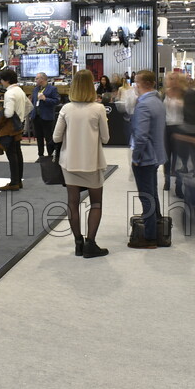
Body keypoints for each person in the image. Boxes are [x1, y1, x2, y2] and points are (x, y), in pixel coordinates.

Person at [52, 69, 110, 259]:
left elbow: (56, 136)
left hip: (69, 162)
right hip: (92, 162)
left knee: (72, 203)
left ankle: (78, 242)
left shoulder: (66, 108)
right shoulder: (99, 108)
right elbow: (106, 138)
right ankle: (90, 243)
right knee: (96, 203)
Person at [128, 70, 166, 250]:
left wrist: (136, 157)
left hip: (145, 157)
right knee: (152, 193)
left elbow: (141, 136)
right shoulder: (157, 101)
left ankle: (150, 237)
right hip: (155, 155)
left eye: (136, 82)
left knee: (146, 196)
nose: (134, 85)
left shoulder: (144, 105)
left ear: (144, 83)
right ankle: (157, 227)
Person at [0, 68, 29, 191]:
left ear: (7, 80)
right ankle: (18, 180)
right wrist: (20, 118)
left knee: (12, 154)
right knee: (17, 153)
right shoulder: (20, 90)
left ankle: (14, 182)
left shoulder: (9, 93)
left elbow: (8, 113)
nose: (1, 82)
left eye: (2, 80)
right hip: (18, 125)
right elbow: (29, 106)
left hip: (10, 128)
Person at [29, 72, 60, 162]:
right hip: (36, 117)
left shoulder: (52, 89)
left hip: (47, 116)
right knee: (39, 137)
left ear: (42, 79)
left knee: (48, 137)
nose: (35, 80)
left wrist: (45, 99)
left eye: (37, 78)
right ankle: (40, 155)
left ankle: (50, 155)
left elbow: (56, 101)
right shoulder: (35, 89)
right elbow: (34, 102)